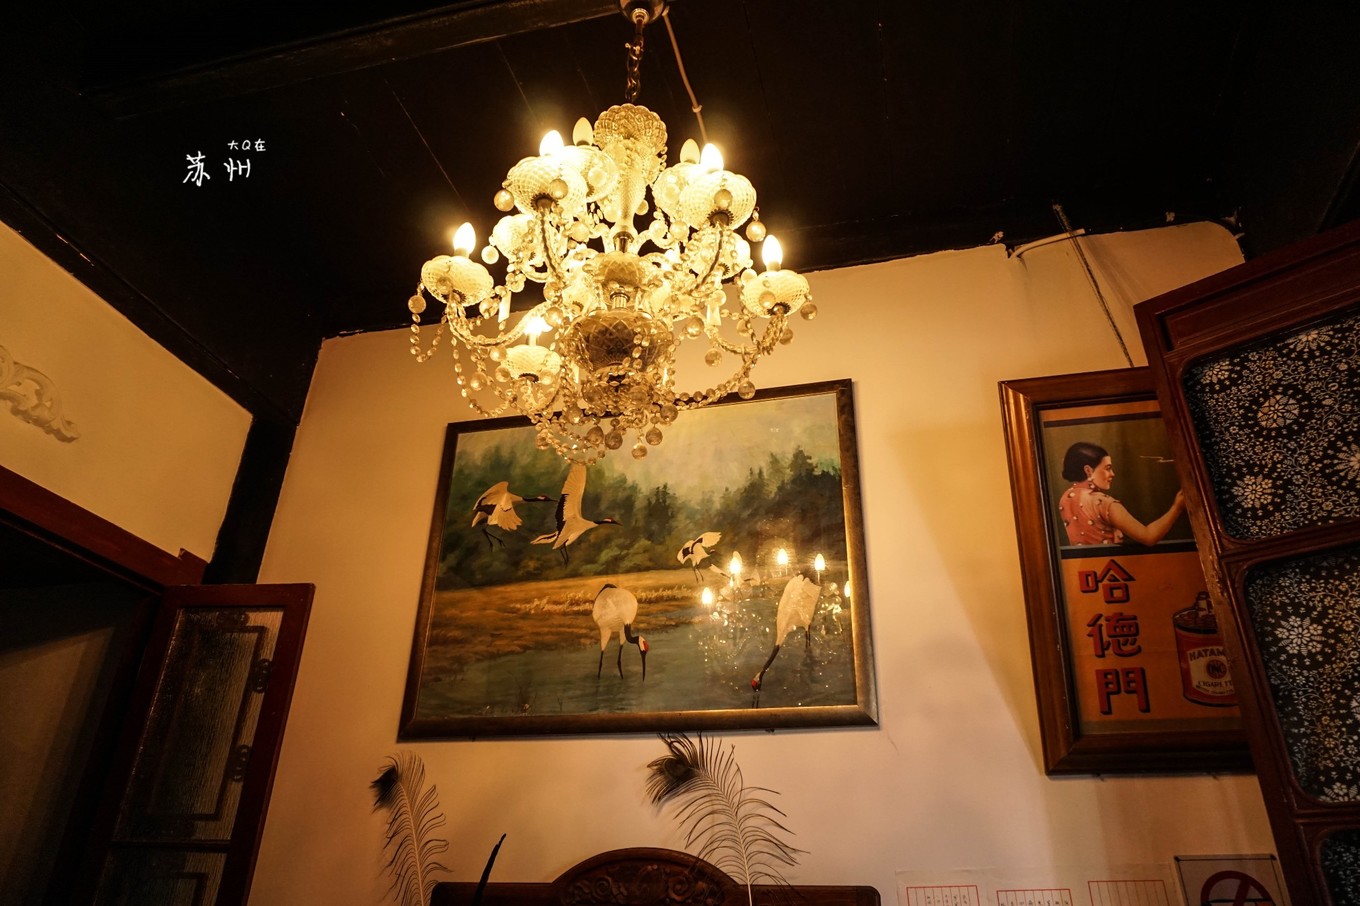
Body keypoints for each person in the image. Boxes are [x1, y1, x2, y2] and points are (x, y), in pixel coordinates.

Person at [1058, 441, 1185, 546]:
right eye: (1108, 468)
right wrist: (1176, 508)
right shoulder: (1104, 503)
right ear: (1088, 470)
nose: (1112, 474)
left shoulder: (1065, 498)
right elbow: (1149, 537)